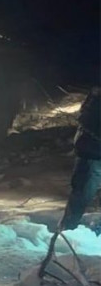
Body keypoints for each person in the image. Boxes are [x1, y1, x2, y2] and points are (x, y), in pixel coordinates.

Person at [58, 86, 101, 231]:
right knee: (82, 192)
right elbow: (86, 118)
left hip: (91, 149)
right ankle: (67, 231)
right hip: (92, 152)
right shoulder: (97, 96)